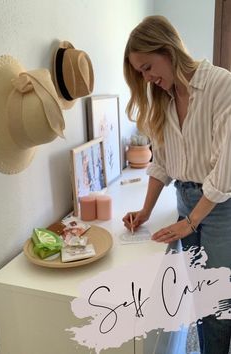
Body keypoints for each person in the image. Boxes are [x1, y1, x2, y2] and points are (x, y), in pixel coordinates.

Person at [122, 15, 231, 354]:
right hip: (186, 201)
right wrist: (144, 210)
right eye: (140, 72)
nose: (147, 77)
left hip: (217, 207)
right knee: (199, 292)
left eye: (147, 66)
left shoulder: (220, 85)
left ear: (167, 50)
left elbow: (225, 170)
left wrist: (192, 220)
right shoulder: (163, 99)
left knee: (217, 298)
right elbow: (161, 164)